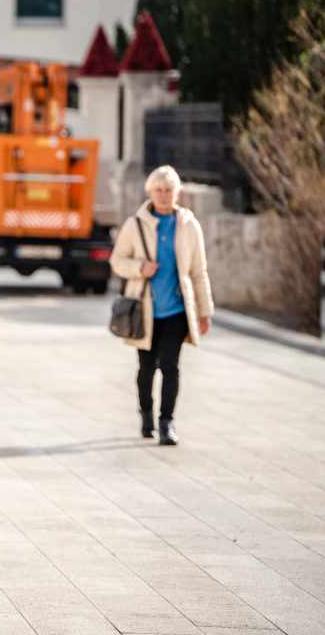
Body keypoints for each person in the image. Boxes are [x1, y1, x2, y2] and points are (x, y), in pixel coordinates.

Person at [110, 165, 213, 446]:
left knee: (170, 365)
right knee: (146, 369)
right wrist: (140, 267)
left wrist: (205, 311)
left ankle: (167, 422)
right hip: (144, 311)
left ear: (177, 193)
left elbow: (199, 271)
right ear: (150, 192)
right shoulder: (135, 224)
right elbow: (117, 261)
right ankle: (146, 414)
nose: (164, 195)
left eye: (169, 190)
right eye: (159, 190)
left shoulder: (189, 225)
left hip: (177, 310)